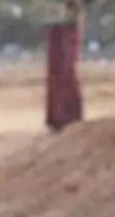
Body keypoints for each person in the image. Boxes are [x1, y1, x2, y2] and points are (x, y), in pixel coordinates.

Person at [45, 0, 87, 132]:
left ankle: (65, 116)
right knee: (61, 69)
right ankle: (62, 116)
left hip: (66, 19)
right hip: (62, 19)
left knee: (63, 69)